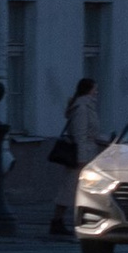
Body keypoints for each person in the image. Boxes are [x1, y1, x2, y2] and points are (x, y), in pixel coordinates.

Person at [48, 69, 102, 236]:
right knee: (70, 188)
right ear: (88, 90)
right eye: (95, 89)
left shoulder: (85, 105)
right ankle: (58, 221)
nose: (97, 92)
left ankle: (66, 220)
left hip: (87, 153)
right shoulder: (82, 107)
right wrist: (80, 157)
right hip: (81, 156)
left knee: (77, 189)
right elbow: (79, 133)